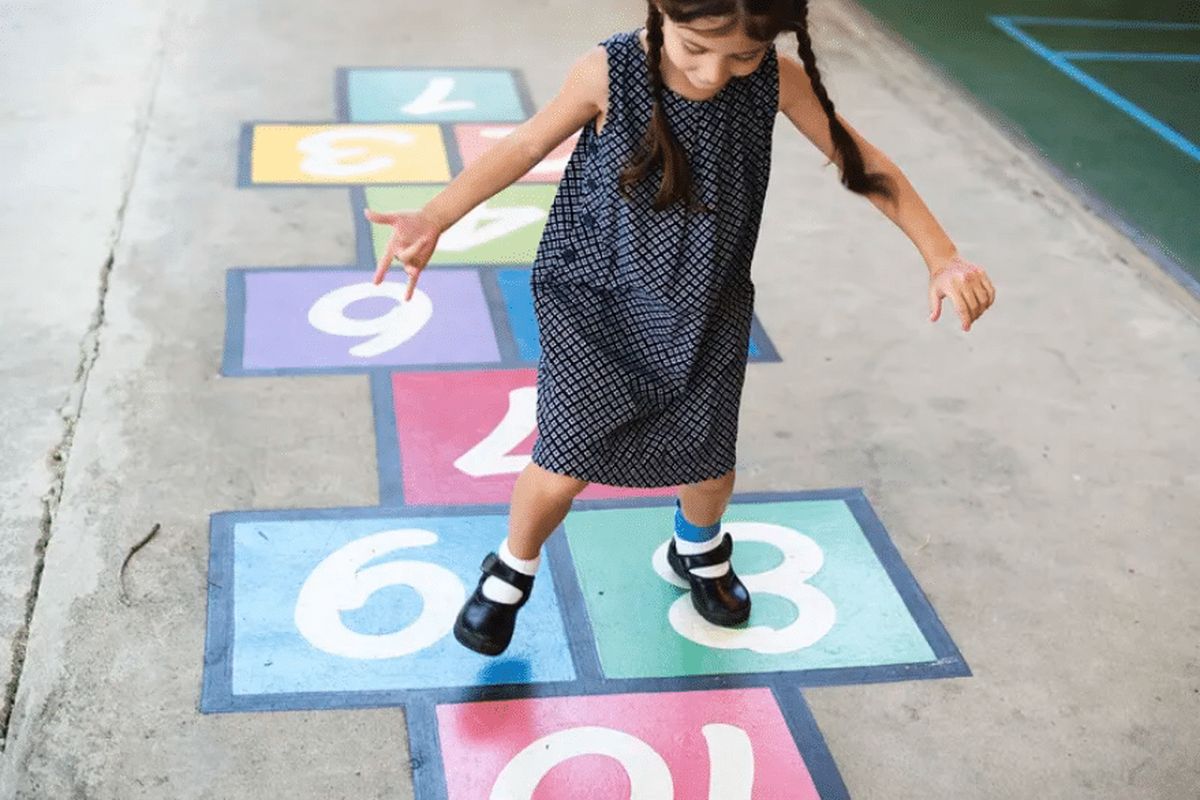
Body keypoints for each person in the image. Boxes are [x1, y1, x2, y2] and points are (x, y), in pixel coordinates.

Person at [365, 0, 996, 657]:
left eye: (742, 55)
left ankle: (698, 549)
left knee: (708, 463)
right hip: (596, 299)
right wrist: (436, 215)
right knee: (563, 463)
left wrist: (941, 254)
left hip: (705, 303)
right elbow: (526, 145)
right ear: (661, 9)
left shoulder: (775, 80)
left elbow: (859, 160)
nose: (715, 74)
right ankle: (511, 570)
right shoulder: (609, 73)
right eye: (695, 48)